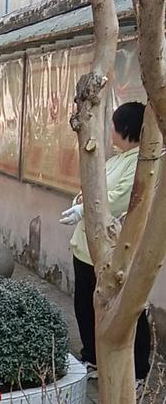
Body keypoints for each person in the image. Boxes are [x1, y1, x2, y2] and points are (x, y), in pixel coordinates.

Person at [60, 101, 150, 386]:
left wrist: (84, 208)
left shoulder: (143, 162)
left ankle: (136, 369)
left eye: (113, 126)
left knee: (125, 309)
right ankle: (93, 357)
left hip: (114, 250)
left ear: (126, 129)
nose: (109, 132)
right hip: (86, 247)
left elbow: (119, 199)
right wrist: (80, 203)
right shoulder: (114, 159)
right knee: (85, 304)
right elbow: (89, 187)